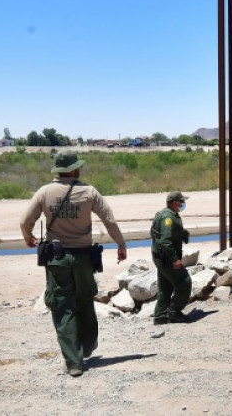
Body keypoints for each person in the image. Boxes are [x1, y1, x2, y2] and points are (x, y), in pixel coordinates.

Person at [20, 150, 128, 377]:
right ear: (73, 169)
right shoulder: (89, 192)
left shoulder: (44, 192)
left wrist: (28, 237)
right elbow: (109, 220)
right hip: (83, 258)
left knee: (62, 307)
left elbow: (25, 221)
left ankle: (74, 361)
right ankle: (87, 345)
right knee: (85, 301)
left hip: (57, 259)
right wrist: (121, 244)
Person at [150, 191, 193, 325]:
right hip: (166, 258)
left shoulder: (169, 214)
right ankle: (173, 312)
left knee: (165, 287)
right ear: (174, 203)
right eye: (181, 202)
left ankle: (161, 316)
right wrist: (174, 259)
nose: (183, 204)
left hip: (161, 257)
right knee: (184, 283)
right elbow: (165, 241)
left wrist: (182, 234)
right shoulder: (167, 218)